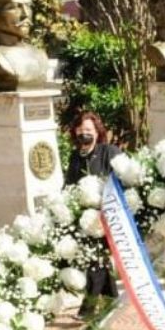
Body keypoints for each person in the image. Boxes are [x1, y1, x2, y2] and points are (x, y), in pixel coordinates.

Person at [65, 110, 123, 316]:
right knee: (98, 262)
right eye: (80, 130)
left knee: (96, 262)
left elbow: (123, 180)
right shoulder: (75, 157)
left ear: (97, 132)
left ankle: (87, 309)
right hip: (85, 221)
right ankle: (112, 301)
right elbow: (69, 186)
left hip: (108, 218)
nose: (84, 134)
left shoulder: (109, 152)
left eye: (88, 130)